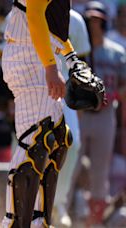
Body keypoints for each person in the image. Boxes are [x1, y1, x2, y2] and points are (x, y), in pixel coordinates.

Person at [0, 0, 97, 227]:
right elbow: (34, 15)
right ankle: (13, 223)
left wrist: (72, 58)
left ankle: (39, 221)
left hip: (39, 54)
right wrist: (51, 67)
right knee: (35, 142)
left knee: (58, 140)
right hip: (30, 56)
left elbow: (51, 24)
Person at [75, 2, 126, 226]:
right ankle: (65, 213)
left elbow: (125, 85)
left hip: (106, 114)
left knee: (100, 171)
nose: (94, 24)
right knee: (73, 165)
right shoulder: (77, 53)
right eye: (90, 20)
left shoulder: (116, 51)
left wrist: (114, 95)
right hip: (81, 114)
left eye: (98, 21)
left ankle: (95, 222)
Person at [53, 9, 91, 228]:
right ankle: (14, 209)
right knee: (24, 150)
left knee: (73, 144)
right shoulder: (17, 15)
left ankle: (58, 203)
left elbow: (81, 66)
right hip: (25, 89)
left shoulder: (74, 20)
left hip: (63, 93)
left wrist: (81, 102)